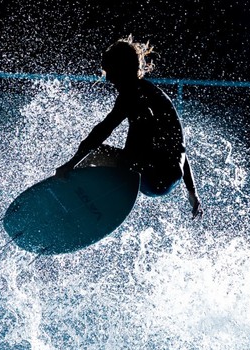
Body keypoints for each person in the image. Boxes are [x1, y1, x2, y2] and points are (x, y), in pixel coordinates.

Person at [56, 36, 203, 218]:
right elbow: (179, 147)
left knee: (95, 155)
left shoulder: (133, 94)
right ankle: (102, 196)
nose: (108, 78)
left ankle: (77, 199)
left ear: (122, 68)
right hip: (170, 177)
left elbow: (103, 130)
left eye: (109, 70)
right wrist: (192, 191)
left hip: (150, 173)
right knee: (138, 136)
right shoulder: (157, 96)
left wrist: (70, 164)